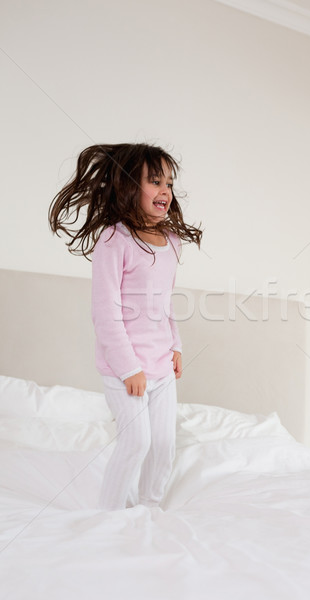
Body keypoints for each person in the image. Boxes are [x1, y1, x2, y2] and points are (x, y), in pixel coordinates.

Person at [49, 143, 202, 509]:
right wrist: (129, 368)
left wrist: (176, 345)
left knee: (164, 444)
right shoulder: (114, 239)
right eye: (154, 181)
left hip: (161, 366)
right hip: (125, 369)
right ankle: (110, 512)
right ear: (130, 186)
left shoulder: (172, 242)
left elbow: (164, 303)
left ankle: (149, 507)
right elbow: (105, 313)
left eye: (168, 182)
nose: (165, 190)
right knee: (137, 441)